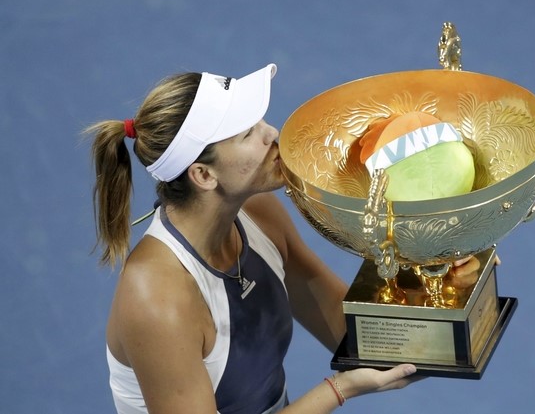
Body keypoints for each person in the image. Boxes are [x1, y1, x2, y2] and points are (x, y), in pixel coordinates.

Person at [86, 63, 480, 414]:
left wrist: (438, 269)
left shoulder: (259, 216)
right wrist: (338, 390)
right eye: (247, 134)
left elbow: (365, 345)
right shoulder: (156, 299)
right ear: (204, 176)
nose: (272, 132)